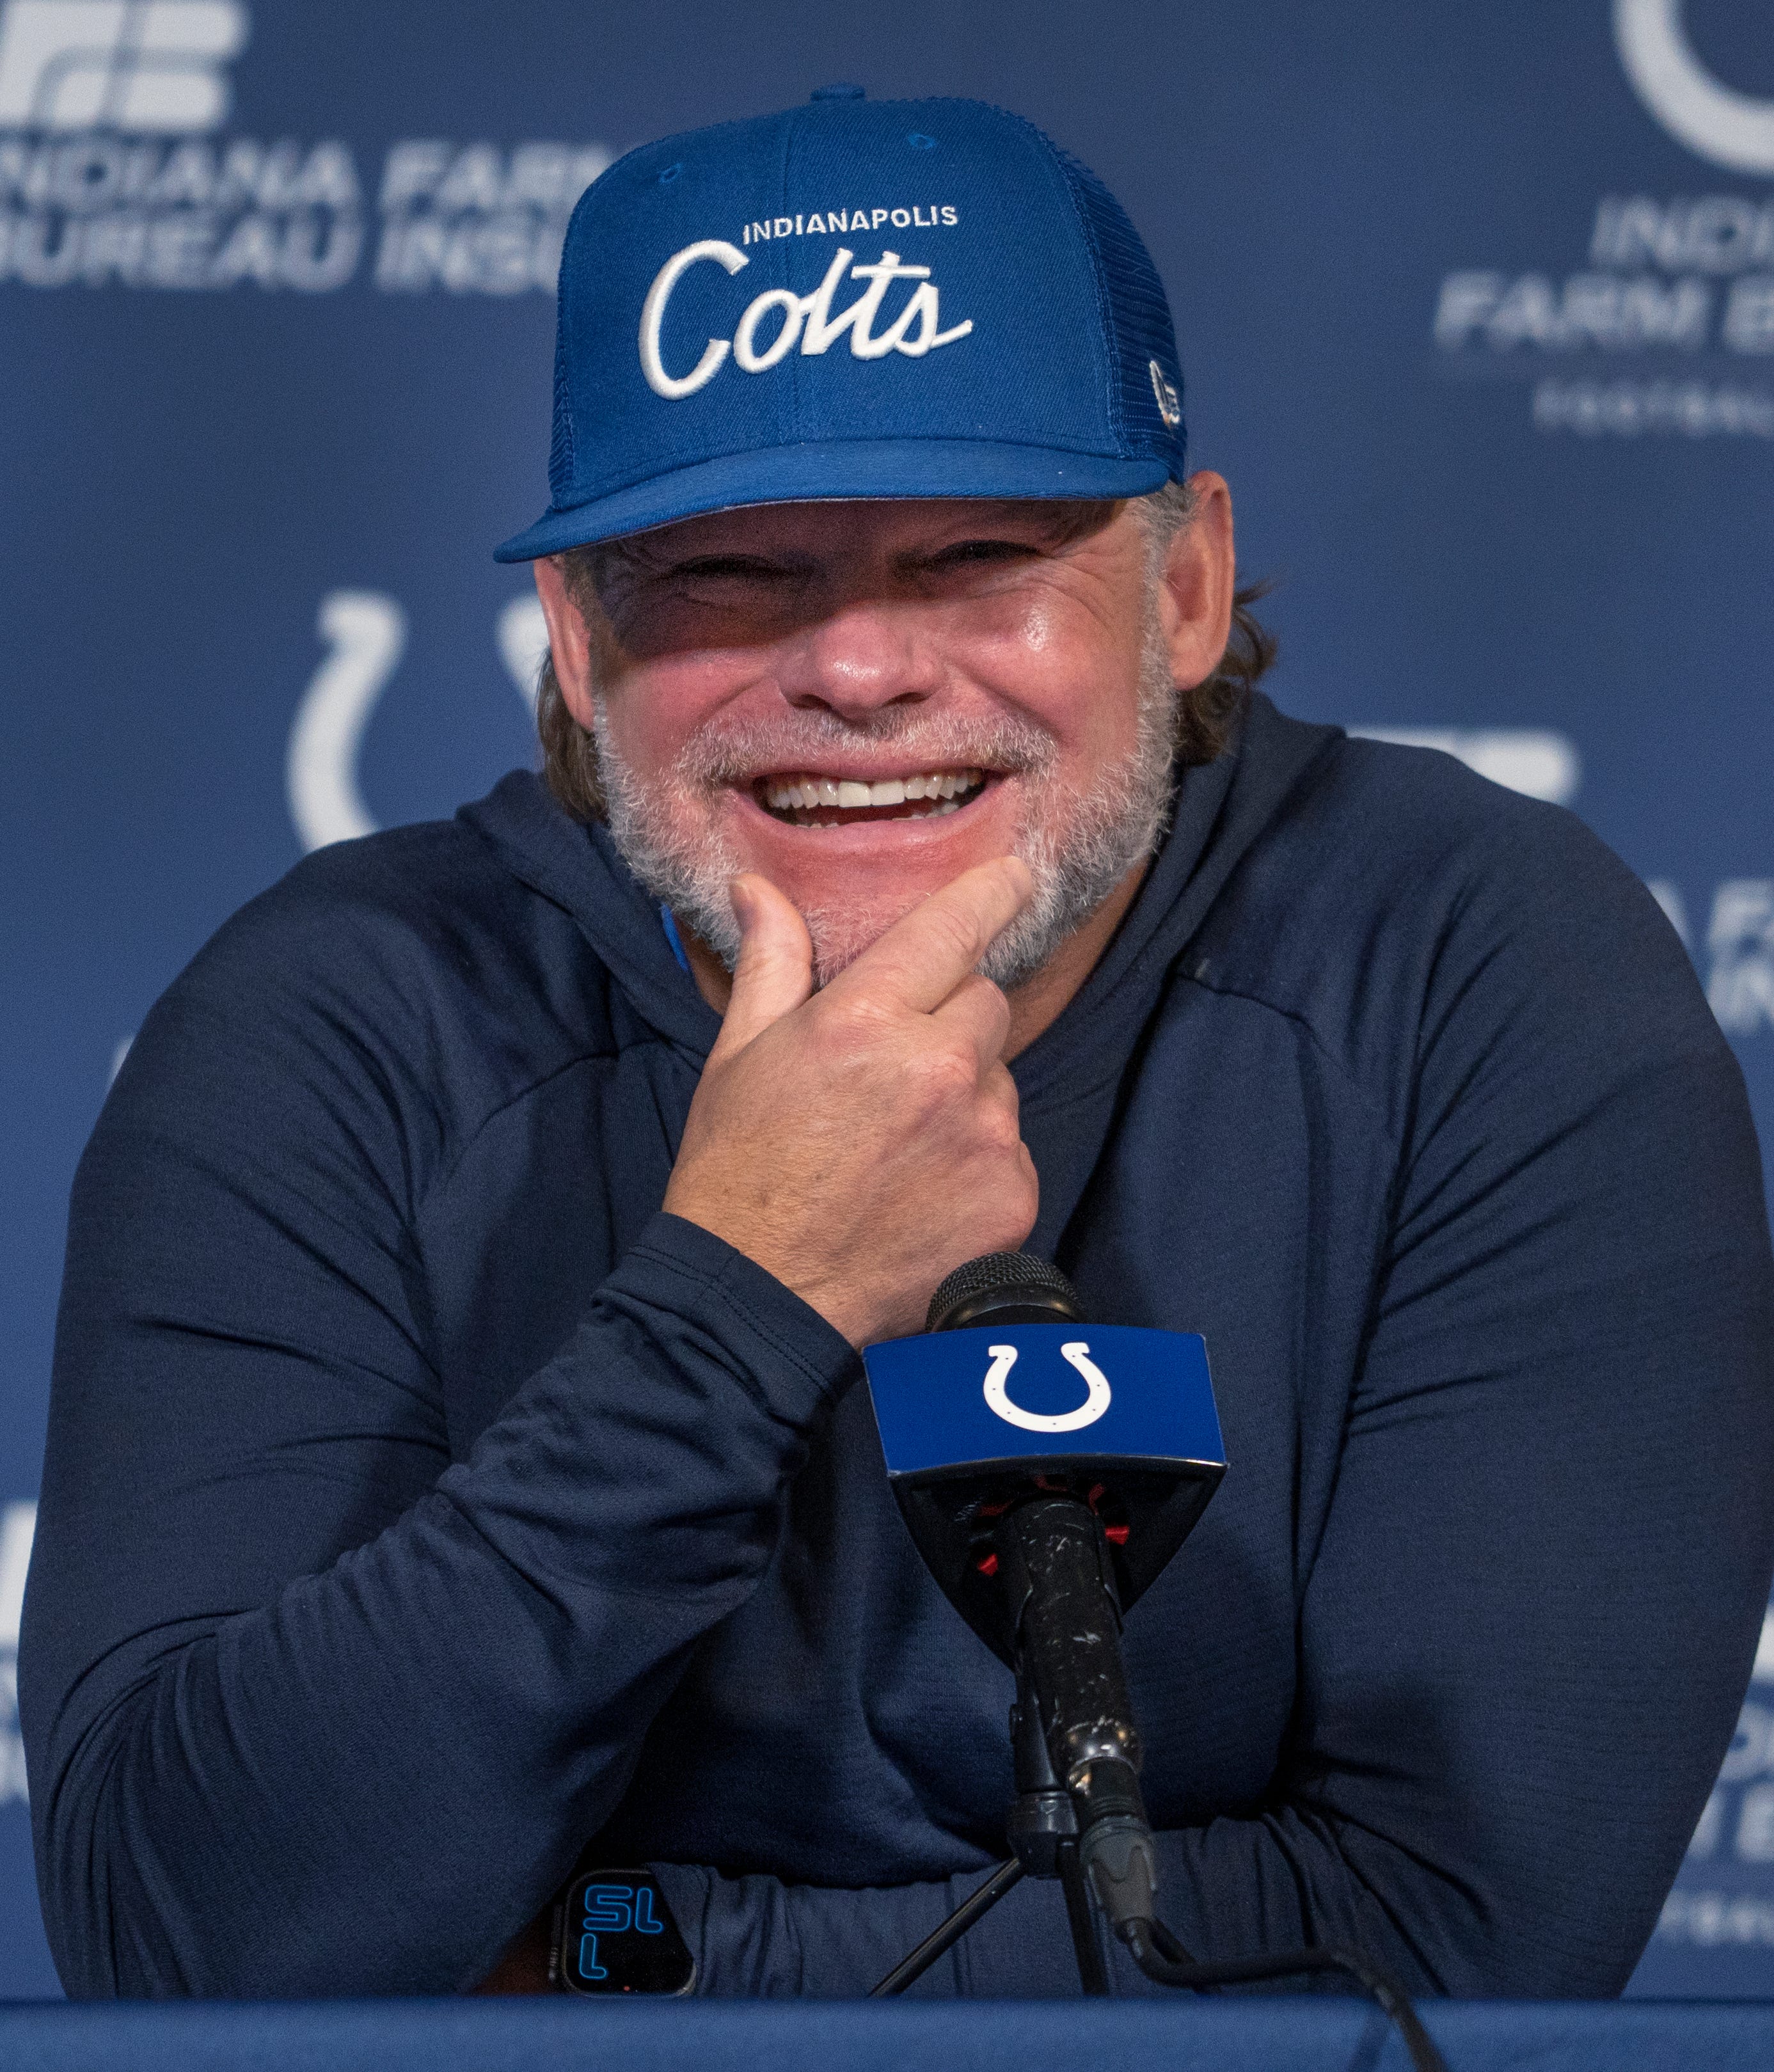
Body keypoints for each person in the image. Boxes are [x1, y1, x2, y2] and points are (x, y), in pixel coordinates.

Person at [20, 88, 1774, 2002]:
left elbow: (1457, 1945)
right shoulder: (338, 1020)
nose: (858, 671)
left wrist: (617, 1957)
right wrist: (734, 1300)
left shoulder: (1474, 971)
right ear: (580, 644)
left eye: (972, 556)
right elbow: (185, 1942)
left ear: (1181, 589)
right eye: (729, 575)